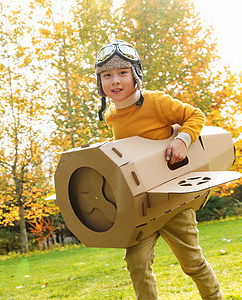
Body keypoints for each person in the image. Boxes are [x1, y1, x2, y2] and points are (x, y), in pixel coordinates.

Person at [95, 40, 223, 300]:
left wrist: (181, 140)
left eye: (122, 73)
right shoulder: (111, 115)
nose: (115, 81)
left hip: (172, 198)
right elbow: (132, 145)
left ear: (136, 75)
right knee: (137, 264)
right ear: (100, 83)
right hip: (141, 205)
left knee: (192, 263)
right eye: (107, 75)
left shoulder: (155, 102)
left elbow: (195, 115)